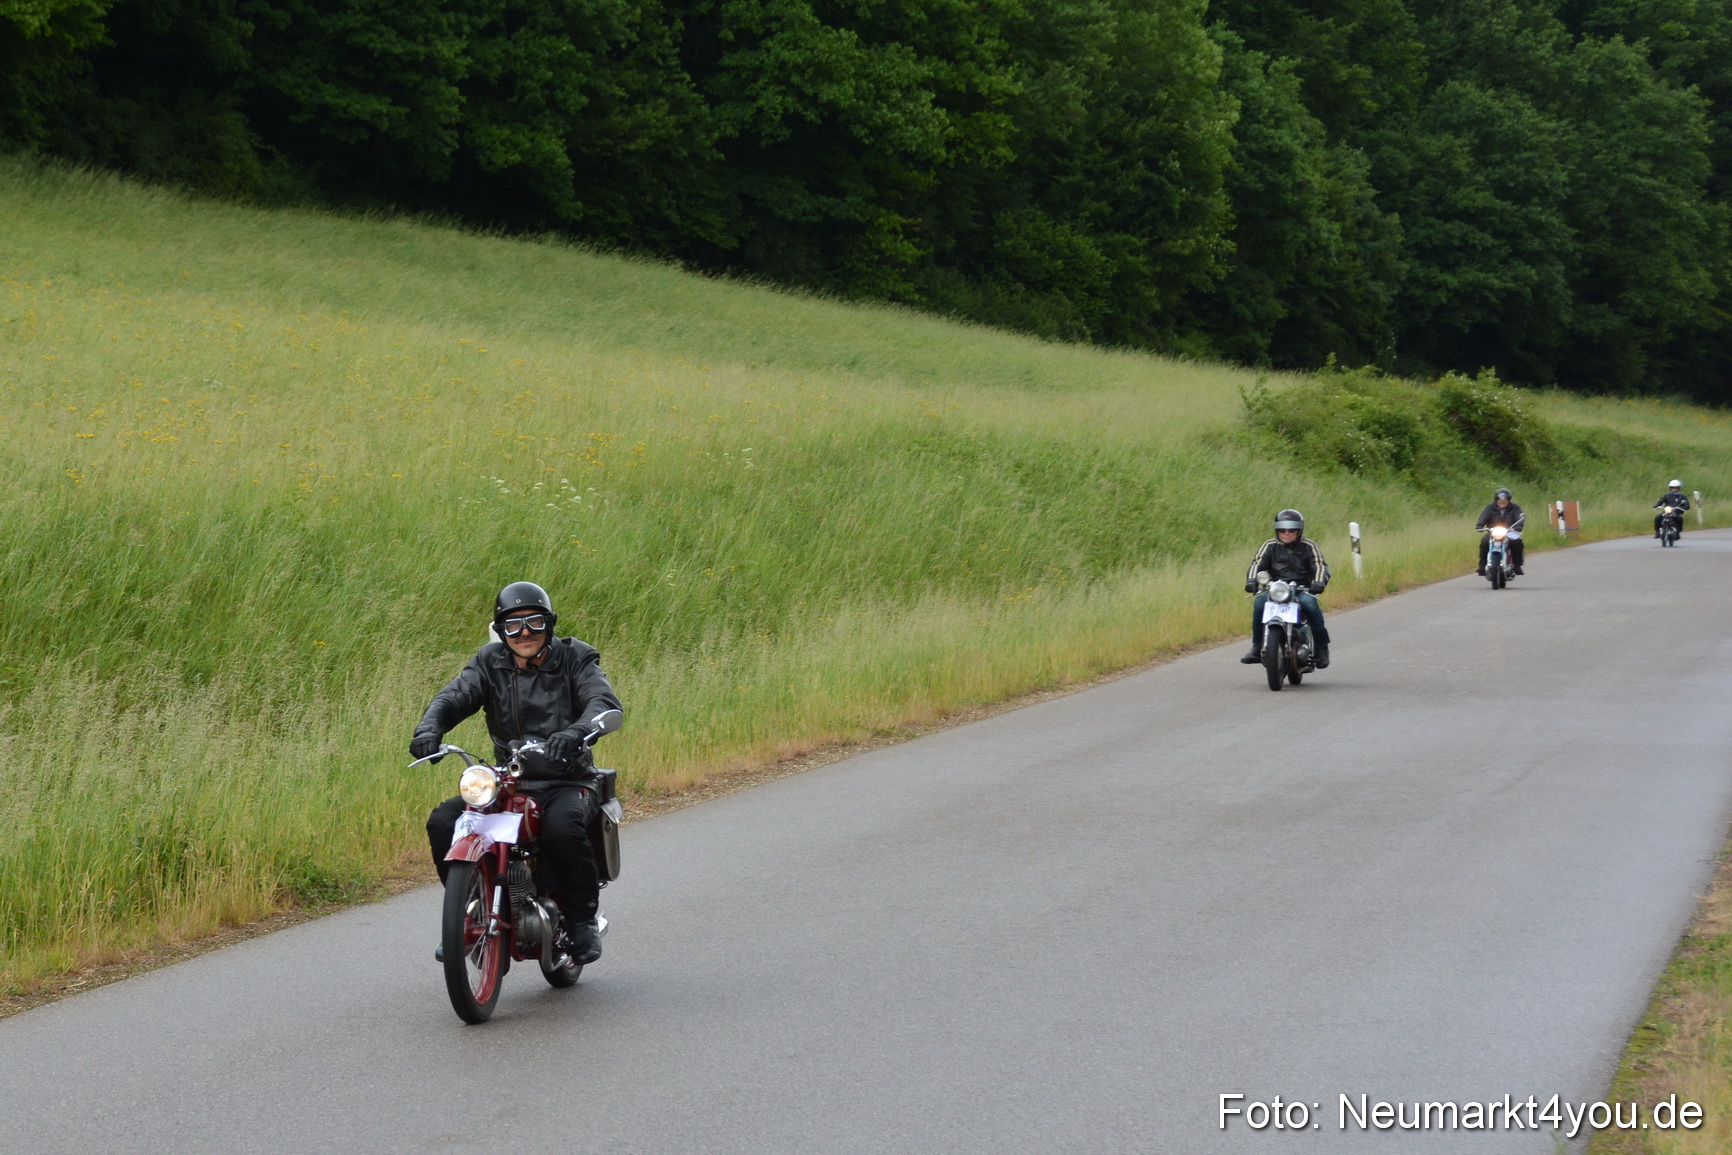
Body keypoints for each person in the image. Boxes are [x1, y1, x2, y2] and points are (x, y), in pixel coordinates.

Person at [411, 581, 623, 966]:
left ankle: (581, 921)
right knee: (444, 821)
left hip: (569, 779)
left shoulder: (576, 658)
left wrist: (575, 732)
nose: (524, 633)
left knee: (562, 827)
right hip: (509, 780)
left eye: (534, 622)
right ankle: (467, 913)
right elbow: (453, 697)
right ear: (500, 630)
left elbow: (602, 703)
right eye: (513, 625)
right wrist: (429, 729)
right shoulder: (489, 662)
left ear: (550, 624)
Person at [1241, 509, 1332, 668]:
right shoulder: (1269, 546)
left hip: (1302, 588)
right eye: (1283, 530)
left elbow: (1320, 566)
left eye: (1291, 530)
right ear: (1277, 530)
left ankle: (1321, 647)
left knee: (1310, 605)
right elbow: (1257, 564)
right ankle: (1257, 646)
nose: (1287, 533)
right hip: (1276, 589)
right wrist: (1252, 581)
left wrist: (1318, 582)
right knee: (1259, 604)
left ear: (1299, 530)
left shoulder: (1309, 546)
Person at [1475, 488, 1526, 575]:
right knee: (1484, 542)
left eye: (1505, 500)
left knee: (1516, 542)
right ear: (1496, 500)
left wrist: (1518, 527)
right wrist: (1479, 525)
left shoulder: (1514, 508)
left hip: (1510, 532)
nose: (1502, 501)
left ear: (1508, 500)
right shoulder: (1490, 508)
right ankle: (1482, 566)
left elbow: (1519, 518)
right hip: (1493, 533)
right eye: (1500, 500)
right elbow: (1484, 517)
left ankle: (1517, 565)